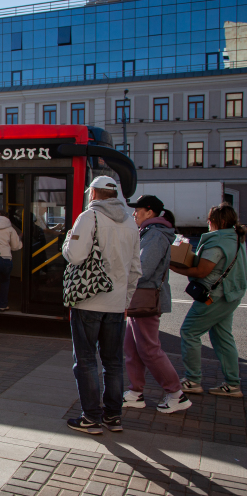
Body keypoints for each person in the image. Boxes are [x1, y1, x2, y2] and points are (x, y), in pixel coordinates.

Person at [61, 176, 141, 434]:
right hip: (116, 305)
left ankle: (91, 418)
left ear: (93, 194)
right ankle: (113, 417)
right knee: (113, 362)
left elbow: (75, 255)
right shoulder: (131, 222)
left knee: (85, 360)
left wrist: (67, 241)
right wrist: (125, 301)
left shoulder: (89, 217)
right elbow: (136, 270)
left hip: (88, 301)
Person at [171, 202, 247, 398]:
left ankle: (193, 379)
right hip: (230, 294)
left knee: (189, 331)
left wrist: (173, 267)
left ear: (218, 221)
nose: (207, 222)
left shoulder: (218, 241)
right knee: (222, 337)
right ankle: (232, 384)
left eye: (210, 219)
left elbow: (203, 270)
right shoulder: (236, 239)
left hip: (214, 295)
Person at [124, 195, 191, 413]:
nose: (134, 213)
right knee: (132, 347)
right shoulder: (150, 232)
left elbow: (144, 268)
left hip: (146, 298)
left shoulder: (156, 234)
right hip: (139, 299)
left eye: (138, 210)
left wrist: (121, 275)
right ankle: (136, 392)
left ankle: (176, 394)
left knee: (149, 350)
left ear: (149, 212)